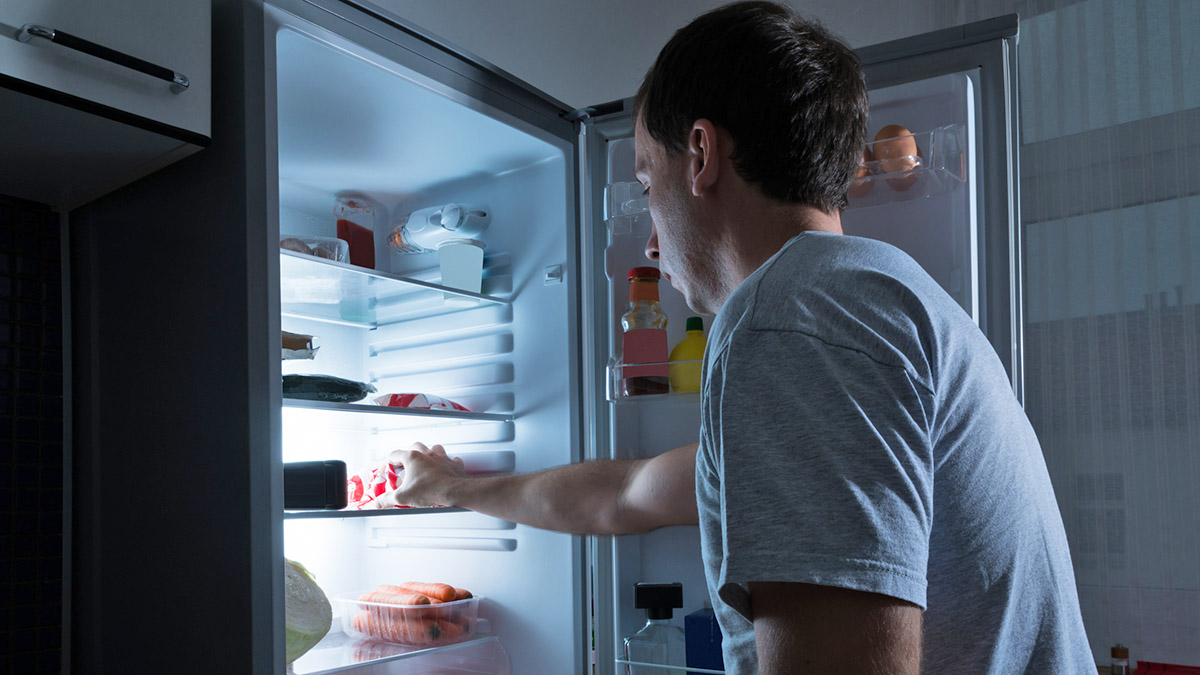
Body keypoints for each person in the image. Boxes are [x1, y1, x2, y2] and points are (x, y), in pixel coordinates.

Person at [376, 2, 1096, 673]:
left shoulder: (794, 317)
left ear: (700, 154)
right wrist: (453, 489)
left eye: (646, 181)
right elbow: (624, 494)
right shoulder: (861, 294)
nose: (652, 242)